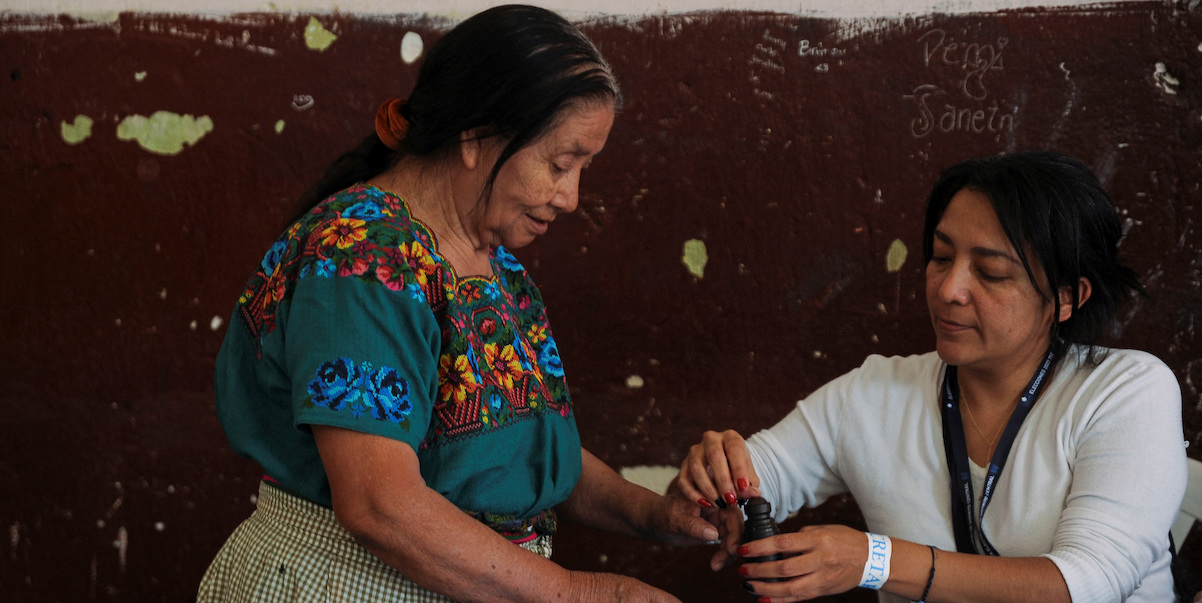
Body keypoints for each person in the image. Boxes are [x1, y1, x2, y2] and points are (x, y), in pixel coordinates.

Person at [198, 5, 717, 602]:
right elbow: (378, 505)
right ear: (475, 137)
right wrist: (583, 594)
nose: (570, 197)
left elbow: (518, 452)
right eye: (560, 163)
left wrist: (655, 517)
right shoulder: (363, 258)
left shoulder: (495, 265)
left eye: (582, 169)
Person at [676, 151, 1187, 603]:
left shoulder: (1125, 391)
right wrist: (717, 480)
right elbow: (748, 482)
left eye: (990, 273)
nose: (948, 289)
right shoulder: (874, 394)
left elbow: (1087, 585)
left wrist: (876, 561)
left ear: (1068, 297)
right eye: (941, 258)